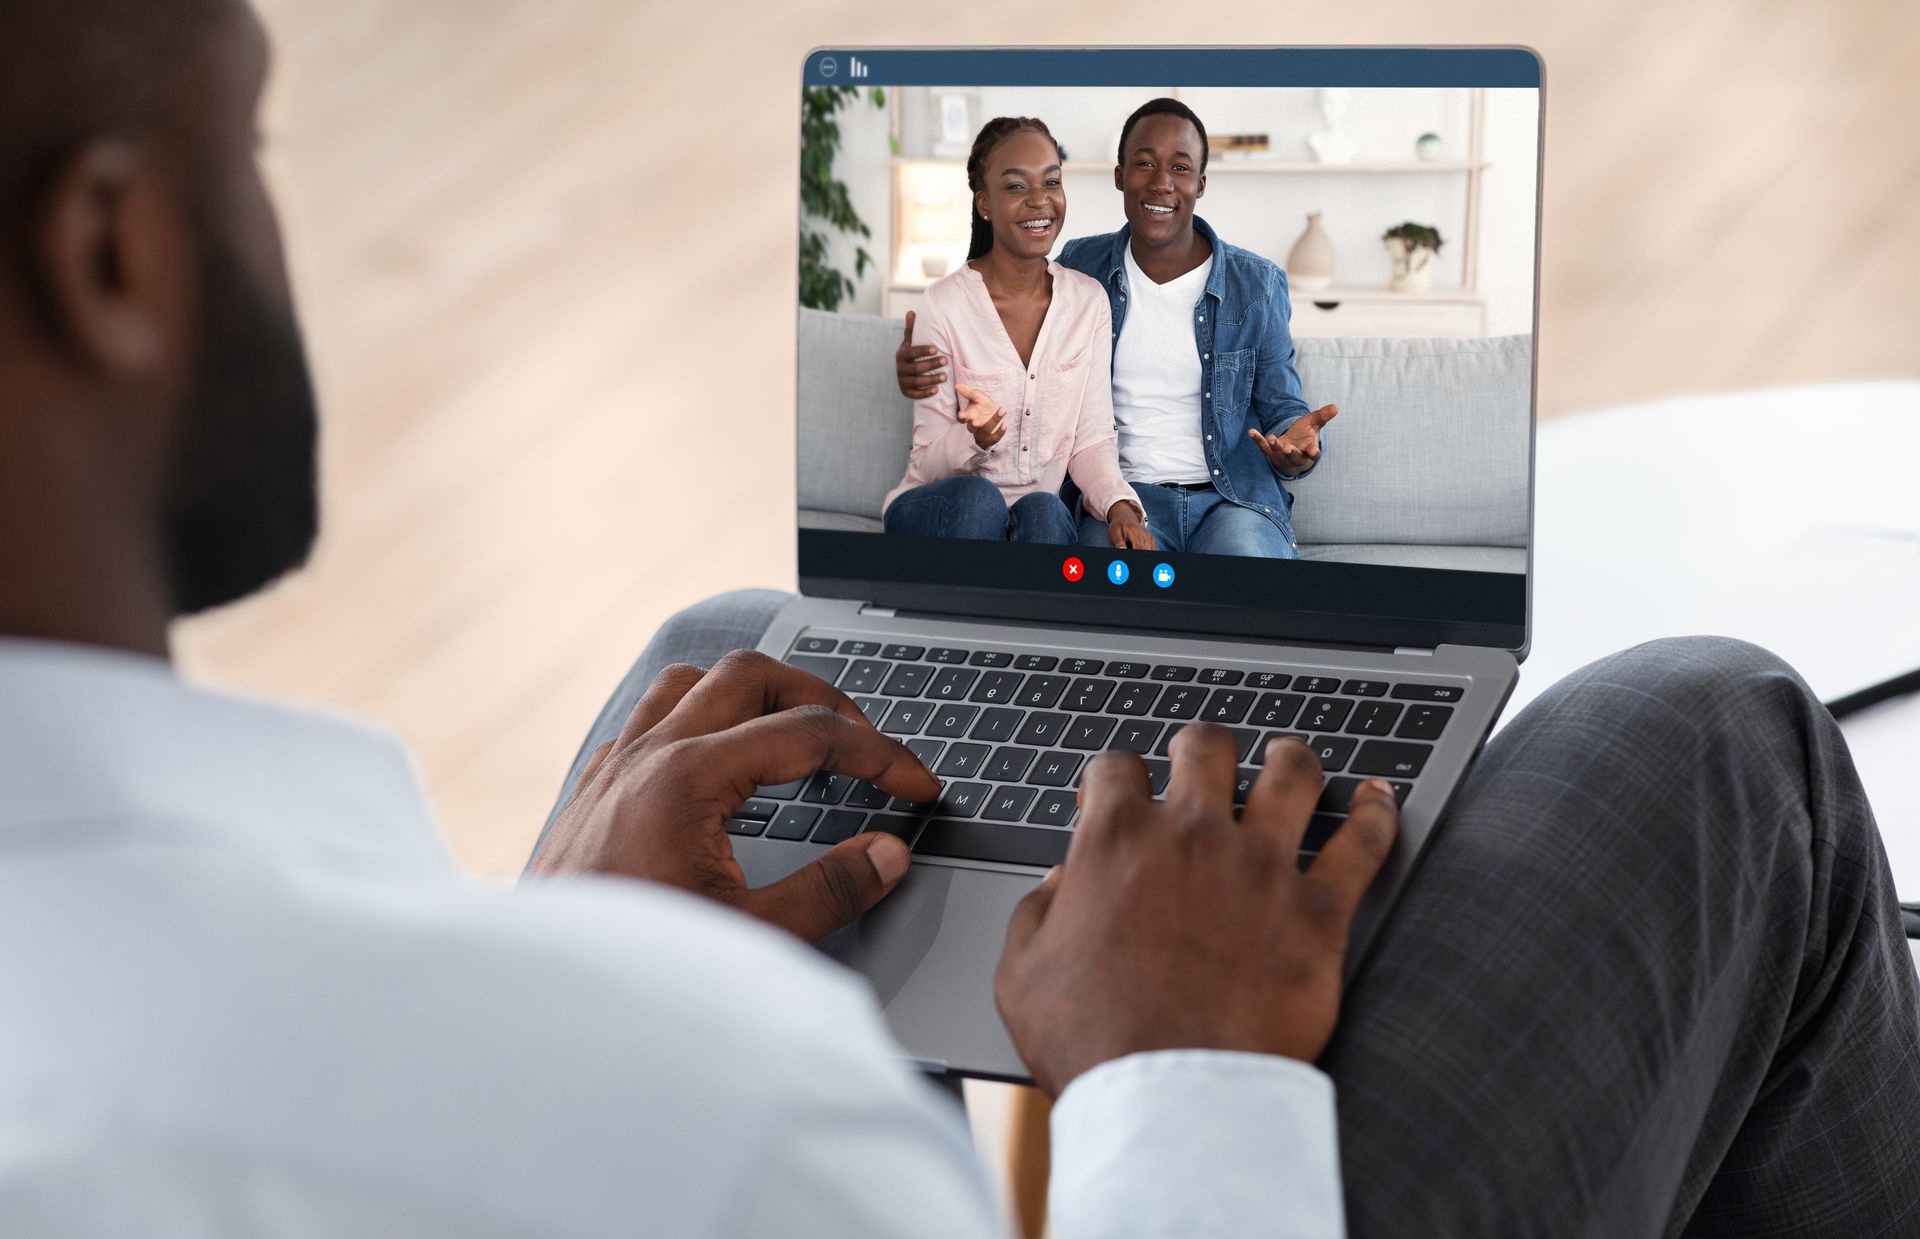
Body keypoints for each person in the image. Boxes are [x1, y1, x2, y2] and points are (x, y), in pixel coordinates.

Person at [3, 7, 1918, 1239]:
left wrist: (577, 962)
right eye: (250, 141)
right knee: (1713, 729)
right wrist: (1178, 1075)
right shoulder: (715, 1128)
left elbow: (1129, 438)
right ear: (113, 251)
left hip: (1125, 532)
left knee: (734, 640)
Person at [897, 98, 1341, 560]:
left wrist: (1297, 446)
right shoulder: (1081, 268)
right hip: (1121, 498)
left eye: (1180, 167)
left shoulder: (1256, 285)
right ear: (1119, 176)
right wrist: (920, 359)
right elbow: (1001, 303)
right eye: (1144, 163)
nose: (1162, 182)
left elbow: (1284, 409)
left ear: (1201, 183)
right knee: (1097, 586)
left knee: (1246, 573)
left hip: (1231, 501)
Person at [882, 117, 1153, 550]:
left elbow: (1091, 440)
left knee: (1046, 510)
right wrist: (974, 438)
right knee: (979, 501)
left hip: (1031, 512)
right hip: (937, 508)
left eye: (1051, 182)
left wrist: (1120, 505)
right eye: (1015, 186)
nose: (1040, 200)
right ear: (985, 204)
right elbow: (927, 463)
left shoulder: (1088, 304)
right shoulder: (944, 304)